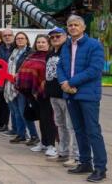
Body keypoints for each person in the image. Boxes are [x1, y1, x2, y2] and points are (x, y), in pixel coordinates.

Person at [57, 15, 107, 182]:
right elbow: (60, 66)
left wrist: (71, 82)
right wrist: (64, 82)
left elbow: (95, 69)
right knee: (78, 130)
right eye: (70, 25)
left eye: (76, 25)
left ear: (83, 27)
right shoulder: (66, 46)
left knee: (93, 131)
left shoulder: (94, 45)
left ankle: (101, 168)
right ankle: (85, 162)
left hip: (88, 94)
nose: (72, 27)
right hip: (70, 93)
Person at [16, 35, 57, 156]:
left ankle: (51, 145)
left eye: (43, 42)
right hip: (32, 94)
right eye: (38, 42)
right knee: (41, 119)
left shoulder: (50, 57)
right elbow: (23, 72)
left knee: (48, 119)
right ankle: (43, 143)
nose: (40, 44)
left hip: (45, 93)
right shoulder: (31, 56)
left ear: (48, 44)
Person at [46, 27, 79, 167]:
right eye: (52, 37)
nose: (55, 39)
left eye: (58, 36)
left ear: (65, 36)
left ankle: (76, 156)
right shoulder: (50, 53)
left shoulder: (68, 51)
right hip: (53, 94)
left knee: (72, 126)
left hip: (65, 94)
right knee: (60, 125)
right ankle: (63, 151)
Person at [5, 32, 39, 145]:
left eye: (22, 38)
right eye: (18, 38)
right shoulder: (13, 51)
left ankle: (34, 135)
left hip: (22, 86)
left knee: (23, 111)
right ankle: (21, 134)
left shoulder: (30, 52)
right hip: (11, 85)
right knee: (16, 112)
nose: (19, 40)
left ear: (26, 40)